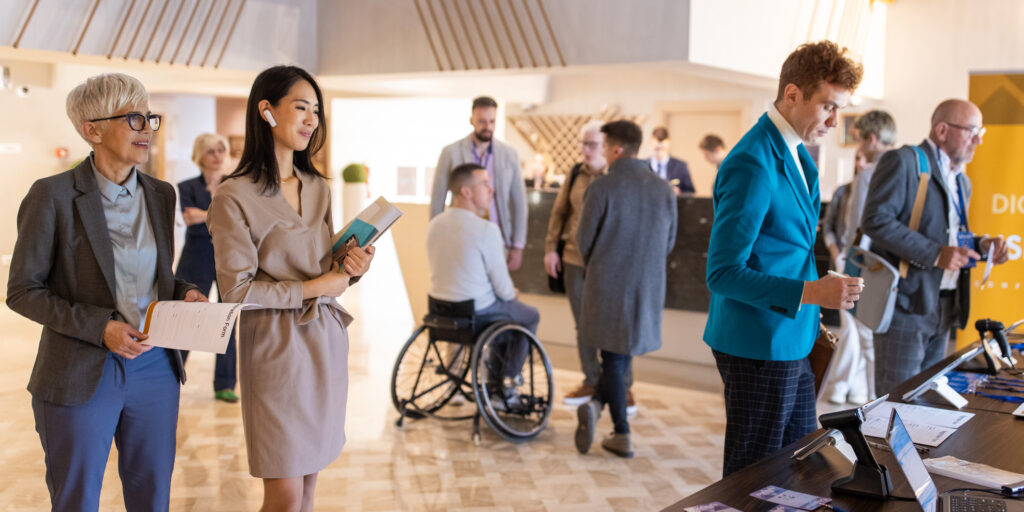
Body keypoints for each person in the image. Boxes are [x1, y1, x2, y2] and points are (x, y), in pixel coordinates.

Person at [6, 72, 206, 511]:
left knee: (152, 498)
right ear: (91, 130)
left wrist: (186, 291)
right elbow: (22, 290)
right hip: (79, 371)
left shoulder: (160, 194)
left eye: (149, 118)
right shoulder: (52, 196)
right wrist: (102, 328)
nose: (147, 129)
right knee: (77, 501)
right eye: (134, 118)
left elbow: (157, 276)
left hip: (156, 367)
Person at [207, 65, 376, 511]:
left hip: (323, 342)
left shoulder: (319, 187)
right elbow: (236, 292)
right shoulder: (233, 196)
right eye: (300, 107)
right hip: (275, 350)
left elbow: (326, 266)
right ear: (266, 111)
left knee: (306, 490)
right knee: (282, 495)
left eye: (315, 111)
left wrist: (352, 266)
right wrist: (319, 284)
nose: (310, 120)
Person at [704, 41, 865, 477]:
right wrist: (815, 291)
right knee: (754, 476)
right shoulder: (753, 161)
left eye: (840, 110)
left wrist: (826, 284)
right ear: (792, 94)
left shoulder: (793, 152)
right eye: (828, 107)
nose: (834, 122)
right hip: (758, 342)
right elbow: (722, 273)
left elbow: (783, 248)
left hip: (790, 336)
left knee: (799, 468)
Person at [862, 99, 1009, 395]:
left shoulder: (962, 181)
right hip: (906, 304)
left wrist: (982, 245)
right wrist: (935, 254)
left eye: (980, 132)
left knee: (926, 401)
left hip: (944, 306)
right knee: (896, 402)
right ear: (942, 130)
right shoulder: (904, 161)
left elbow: (949, 235)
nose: (978, 139)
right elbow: (875, 221)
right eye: (971, 130)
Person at [574, 120, 677, 458]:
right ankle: (597, 405)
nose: (602, 153)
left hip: (609, 286)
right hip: (646, 288)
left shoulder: (602, 187)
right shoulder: (663, 189)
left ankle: (621, 432)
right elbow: (670, 241)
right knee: (619, 357)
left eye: (604, 147)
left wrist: (603, 266)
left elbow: (584, 241)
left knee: (614, 359)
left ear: (616, 150)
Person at [426, 163, 540, 402]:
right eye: (485, 184)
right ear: (466, 192)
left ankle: (490, 384)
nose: (491, 190)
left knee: (506, 311)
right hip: (476, 315)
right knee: (528, 315)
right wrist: (512, 293)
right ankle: (505, 383)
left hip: (439, 312)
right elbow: (503, 288)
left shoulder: (434, 225)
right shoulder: (486, 230)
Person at [544, 121, 636, 413]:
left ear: (608, 147)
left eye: (592, 144)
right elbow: (559, 213)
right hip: (574, 262)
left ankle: (623, 385)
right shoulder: (575, 174)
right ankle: (591, 380)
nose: (585, 150)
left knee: (616, 325)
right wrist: (550, 250)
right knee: (583, 326)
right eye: (583, 144)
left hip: (610, 267)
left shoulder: (618, 176)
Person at [828, 110, 898, 403]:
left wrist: (851, 269)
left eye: (858, 140)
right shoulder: (908, 172)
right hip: (894, 268)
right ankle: (869, 399)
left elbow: (858, 230)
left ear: (871, 139)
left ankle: (870, 404)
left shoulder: (869, 176)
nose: (858, 148)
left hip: (866, 266)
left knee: (866, 339)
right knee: (871, 341)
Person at [175, 132, 239, 403]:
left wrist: (205, 215)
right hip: (195, 256)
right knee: (184, 319)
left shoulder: (235, 186)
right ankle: (172, 377)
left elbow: (236, 220)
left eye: (220, 150)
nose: (216, 155)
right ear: (199, 155)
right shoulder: (186, 185)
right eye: (211, 151)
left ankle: (225, 385)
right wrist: (217, 215)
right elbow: (190, 218)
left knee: (226, 321)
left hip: (228, 258)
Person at [430, 96, 528, 270]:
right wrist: (437, 238)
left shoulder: (509, 154)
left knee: (496, 291)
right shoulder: (450, 152)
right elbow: (437, 199)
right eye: (482, 121)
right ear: (471, 121)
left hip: (499, 238)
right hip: (461, 238)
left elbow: (519, 203)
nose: (487, 127)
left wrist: (518, 246)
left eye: (492, 121)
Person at [820, 150, 871, 405]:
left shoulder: (879, 190)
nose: (860, 162)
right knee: (850, 325)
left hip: (869, 266)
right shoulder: (844, 192)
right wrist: (837, 252)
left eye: (865, 158)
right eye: (858, 159)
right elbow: (829, 227)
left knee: (863, 330)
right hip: (843, 261)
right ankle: (842, 385)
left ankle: (850, 385)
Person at [649, 126, 695, 195]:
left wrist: (680, 193)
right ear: (650, 143)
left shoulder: (680, 166)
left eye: (662, 148)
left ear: (669, 143)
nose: (659, 147)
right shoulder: (642, 166)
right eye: (657, 148)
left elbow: (690, 193)